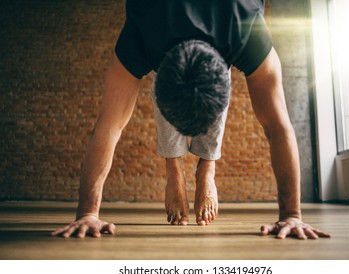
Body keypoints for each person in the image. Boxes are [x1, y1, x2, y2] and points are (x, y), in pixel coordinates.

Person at [52, 0, 330, 240]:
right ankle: (175, 172)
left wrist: (292, 215)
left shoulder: (247, 31)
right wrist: (87, 213)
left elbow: (278, 126)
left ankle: (205, 171)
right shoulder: (141, 33)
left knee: (203, 90)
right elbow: (108, 127)